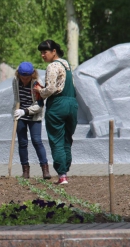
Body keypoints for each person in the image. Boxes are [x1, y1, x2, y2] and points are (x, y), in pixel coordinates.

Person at [35, 40, 78, 185]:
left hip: (58, 104)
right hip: (72, 104)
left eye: (44, 52)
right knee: (67, 138)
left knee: (57, 139)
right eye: (41, 52)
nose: (42, 55)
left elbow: (51, 89)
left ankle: (62, 175)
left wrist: (40, 91)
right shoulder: (66, 65)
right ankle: (66, 168)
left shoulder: (52, 66)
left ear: (54, 51)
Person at [12, 62, 51, 180]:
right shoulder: (15, 80)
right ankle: (25, 171)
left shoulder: (38, 83)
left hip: (34, 115)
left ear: (32, 75)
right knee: (22, 143)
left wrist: (26, 111)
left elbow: (40, 105)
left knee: (37, 141)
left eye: (27, 78)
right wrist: (17, 111)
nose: (24, 80)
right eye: (22, 77)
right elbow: (16, 98)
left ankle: (45, 170)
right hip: (20, 115)